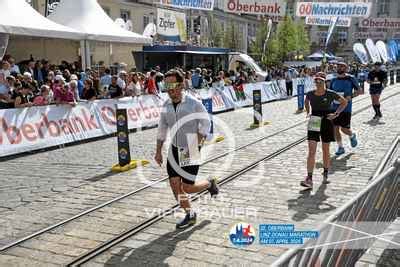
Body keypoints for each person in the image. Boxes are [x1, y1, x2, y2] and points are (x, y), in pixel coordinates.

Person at [155, 69, 219, 229]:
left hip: (190, 146)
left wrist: (198, 141)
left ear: (181, 85)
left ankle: (209, 183)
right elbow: (162, 128)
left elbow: (205, 122)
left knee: (187, 187)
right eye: (166, 85)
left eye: (173, 84)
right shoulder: (166, 105)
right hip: (174, 148)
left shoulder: (193, 103)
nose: (169, 88)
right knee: (175, 185)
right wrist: (158, 151)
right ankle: (190, 214)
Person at [301, 72, 348, 188]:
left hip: (327, 120)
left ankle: (326, 173)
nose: (318, 83)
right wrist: (308, 112)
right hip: (314, 120)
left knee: (325, 149)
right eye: (316, 81)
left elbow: (344, 102)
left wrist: (336, 114)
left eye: (320, 81)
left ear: (325, 81)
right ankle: (309, 178)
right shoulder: (310, 93)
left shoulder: (330, 93)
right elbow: (306, 101)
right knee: (311, 150)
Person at [330, 62, 361, 156]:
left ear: (346, 68)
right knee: (335, 128)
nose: (340, 68)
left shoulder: (351, 78)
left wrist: (350, 97)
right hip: (334, 108)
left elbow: (359, 91)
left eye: (342, 66)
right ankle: (340, 147)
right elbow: (330, 93)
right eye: (338, 66)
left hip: (346, 108)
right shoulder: (333, 79)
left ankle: (352, 135)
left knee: (344, 129)